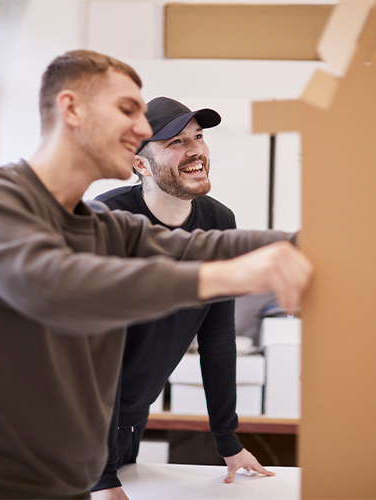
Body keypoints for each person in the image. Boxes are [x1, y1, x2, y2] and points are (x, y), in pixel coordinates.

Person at [0, 50, 312, 499]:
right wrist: (225, 278)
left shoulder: (94, 223)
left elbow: (195, 245)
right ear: (72, 109)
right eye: (127, 110)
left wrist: (304, 242)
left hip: (67, 480)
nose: (142, 128)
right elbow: (59, 288)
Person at [91, 96, 277, 499]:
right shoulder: (107, 223)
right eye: (174, 142)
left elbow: (217, 334)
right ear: (140, 164)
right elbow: (92, 349)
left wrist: (228, 442)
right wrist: (101, 474)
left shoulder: (217, 222)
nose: (194, 149)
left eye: (198, 136)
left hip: (129, 418)